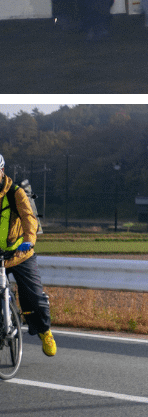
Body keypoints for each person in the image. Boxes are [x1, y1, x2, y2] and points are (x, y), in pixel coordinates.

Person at [1, 153, 58, 357]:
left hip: (19, 253)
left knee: (33, 298)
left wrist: (28, 241)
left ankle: (45, 332)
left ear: (2, 171)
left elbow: (29, 218)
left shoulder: (15, 193)